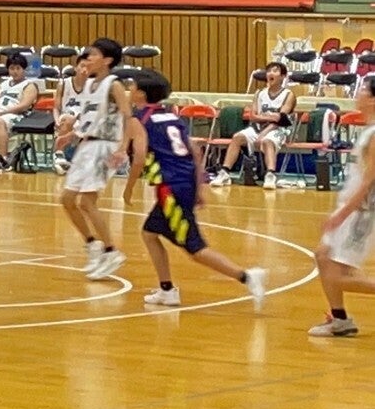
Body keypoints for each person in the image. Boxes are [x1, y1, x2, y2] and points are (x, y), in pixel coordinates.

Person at [121, 69, 267, 309]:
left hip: (171, 188)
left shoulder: (139, 120)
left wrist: (128, 189)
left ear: (141, 94)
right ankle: (167, 289)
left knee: (195, 248)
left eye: (133, 87)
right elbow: (195, 152)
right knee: (149, 233)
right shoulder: (171, 116)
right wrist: (198, 187)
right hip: (184, 182)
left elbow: (138, 158)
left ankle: (247, 277)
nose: (129, 90)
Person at [62, 38, 139, 281]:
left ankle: (111, 251)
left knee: (87, 202)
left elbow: (128, 118)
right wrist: (72, 135)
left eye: (93, 54)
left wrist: (123, 148)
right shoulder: (88, 84)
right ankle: (92, 244)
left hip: (106, 146)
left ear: (107, 60)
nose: (87, 58)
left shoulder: (113, 85)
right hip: (87, 144)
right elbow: (90, 118)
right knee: (67, 199)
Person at [305, 73, 375, 336]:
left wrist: (342, 214)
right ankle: (340, 319)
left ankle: (340, 320)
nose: (358, 94)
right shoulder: (367, 130)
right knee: (323, 257)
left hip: (362, 213)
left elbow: (369, 181)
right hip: (350, 208)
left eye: (363, 90)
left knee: (336, 275)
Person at [210, 61, 297, 189]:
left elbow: (281, 119)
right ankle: (224, 173)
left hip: (279, 129)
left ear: (283, 76)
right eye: (269, 71)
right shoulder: (259, 93)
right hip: (258, 128)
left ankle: (270, 175)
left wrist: (265, 126)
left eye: (275, 71)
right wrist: (270, 117)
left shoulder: (289, 95)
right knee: (237, 137)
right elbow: (253, 116)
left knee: (267, 141)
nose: (270, 73)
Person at [52, 51, 92, 174]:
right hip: (66, 117)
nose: (84, 70)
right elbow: (56, 108)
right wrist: (56, 120)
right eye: (82, 66)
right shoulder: (64, 84)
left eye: (88, 67)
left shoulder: (93, 86)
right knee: (67, 120)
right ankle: (59, 157)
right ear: (76, 67)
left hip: (84, 119)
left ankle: (77, 160)